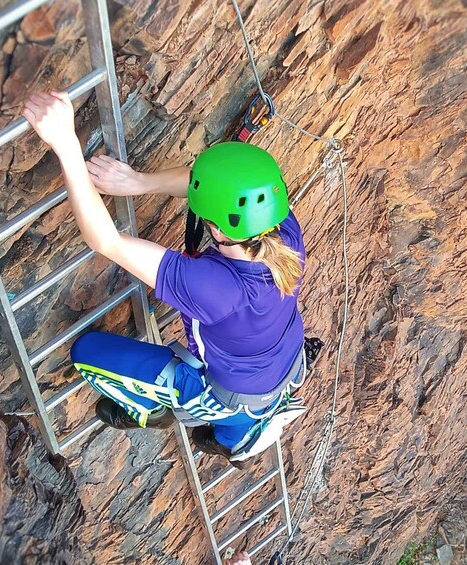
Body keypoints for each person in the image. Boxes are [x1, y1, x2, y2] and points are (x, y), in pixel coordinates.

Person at [22, 92, 315, 466]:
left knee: (87, 353)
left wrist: (66, 145)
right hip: (282, 366)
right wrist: (138, 183)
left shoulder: (216, 288)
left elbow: (106, 240)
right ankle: (239, 433)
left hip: (232, 393)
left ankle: (169, 417)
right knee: (235, 417)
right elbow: (205, 188)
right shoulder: (281, 230)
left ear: (217, 230)